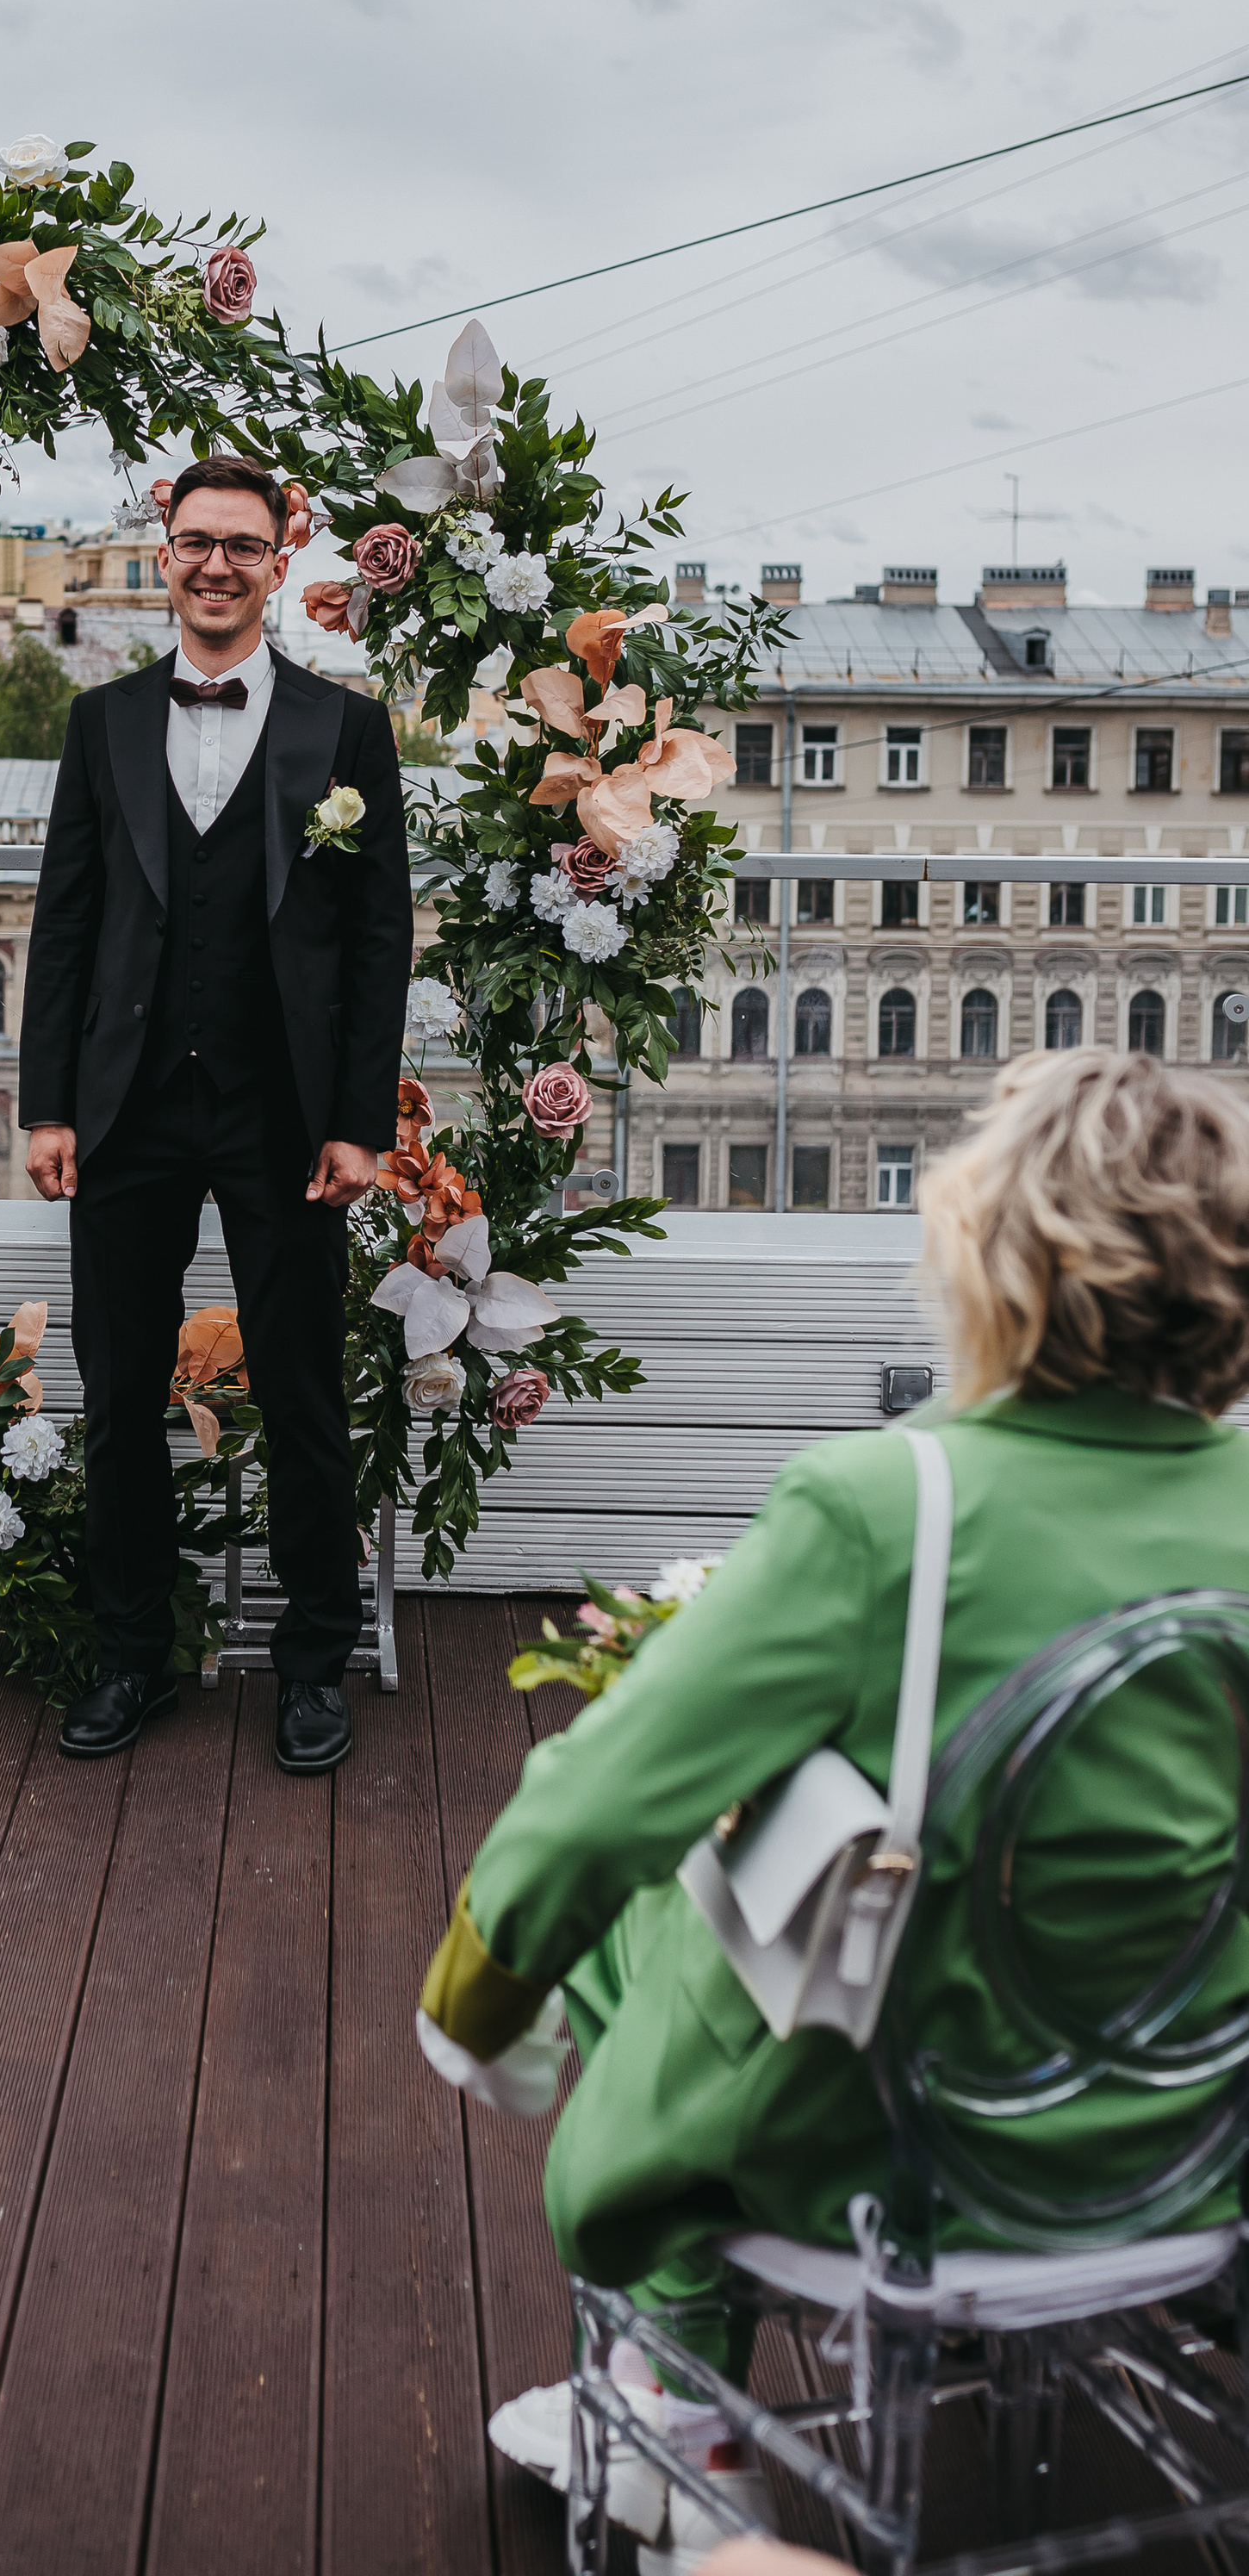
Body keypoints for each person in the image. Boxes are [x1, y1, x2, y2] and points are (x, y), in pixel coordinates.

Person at [418, 1049, 1249, 2562]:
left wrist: (472, 2006)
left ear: (992, 1260)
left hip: (893, 2172)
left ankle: (678, 2399)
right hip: (1192, 2151)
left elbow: (596, 1807)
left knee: (660, 1910)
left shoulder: (887, 1507)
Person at [19, 454, 413, 1776]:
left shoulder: (346, 730)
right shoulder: (105, 721)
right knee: (121, 1396)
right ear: (166, 550)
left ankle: (311, 1665)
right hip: (124, 1111)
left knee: (302, 1394)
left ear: (280, 560)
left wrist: (361, 1120)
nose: (217, 566)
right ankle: (129, 1654)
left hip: (288, 1117)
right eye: (197, 542)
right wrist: (47, 1106)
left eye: (244, 545)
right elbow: (64, 923)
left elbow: (377, 941)